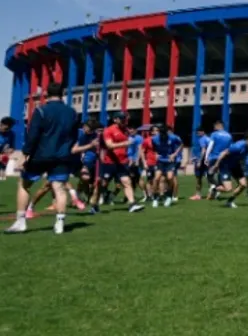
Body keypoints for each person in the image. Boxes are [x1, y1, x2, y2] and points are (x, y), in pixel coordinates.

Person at [6, 83, 79, 234]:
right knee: (59, 188)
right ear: (62, 93)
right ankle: (59, 224)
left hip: (41, 154)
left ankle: (20, 221)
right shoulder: (72, 112)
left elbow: (33, 135)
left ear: (46, 94)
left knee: (24, 184)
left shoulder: (41, 110)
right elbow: (74, 136)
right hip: (62, 155)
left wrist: (25, 154)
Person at [95, 112, 145, 214]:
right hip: (110, 162)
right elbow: (109, 145)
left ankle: (132, 204)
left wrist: (130, 157)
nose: (124, 121)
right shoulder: (109, 130)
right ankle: (94, 204)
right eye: (122, 119)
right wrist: (125, 143)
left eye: (125, 119)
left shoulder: (125, 130)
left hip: (122, 162)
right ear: (115, 120)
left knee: (127, 182)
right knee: (102, 184)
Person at [150, 125, 183, 208]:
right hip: (160, 161)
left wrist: (174, 154)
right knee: (156, 178)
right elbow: (154, 148)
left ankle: (169, 196)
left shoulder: (173, 137)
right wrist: (156, 154)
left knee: (170, 178)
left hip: (170, 161)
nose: (162, 134)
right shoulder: (155, 139)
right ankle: (155, 198)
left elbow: (181, 144)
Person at [204, 120, 233, 200]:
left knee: (209, 174)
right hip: (224, 158)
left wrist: (206, 156)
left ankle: (214, 187)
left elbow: (210, 145)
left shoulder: (214, 134)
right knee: (221, 173)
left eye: (214, 126)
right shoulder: (229, 135)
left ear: (218, 125)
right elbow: (230, 148)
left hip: (214, 157)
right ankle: (217, 188)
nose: (214, 128)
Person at [190, 127, 210, 200]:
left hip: (202, 161)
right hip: (207, 161)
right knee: (209, 177)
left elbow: (203, 150)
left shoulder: (202, 139)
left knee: (198, 178)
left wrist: (199, 161)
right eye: (197, 132)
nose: (197, 134)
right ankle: (212, 193)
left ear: (203, 132)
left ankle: (198, 195)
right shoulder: (208, 139)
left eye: (198, 132)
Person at [0, 117, 16, 181]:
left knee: (3, 178)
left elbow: (12, 148)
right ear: (1, 124)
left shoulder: (11, 134)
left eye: (9, 129)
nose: (7, 130)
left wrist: (8, 151)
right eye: (6, 128)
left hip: (3, 157)